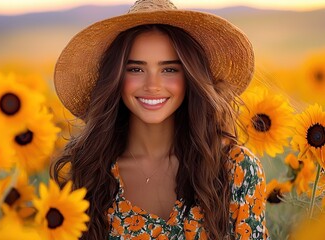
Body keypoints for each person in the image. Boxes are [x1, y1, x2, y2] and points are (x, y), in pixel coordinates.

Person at [52, 0, 269, 239]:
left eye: (169, 69)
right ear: (115, 77)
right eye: (136, 69)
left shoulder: (236, 170)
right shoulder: (91, 172)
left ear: (190, 76)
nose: (152, 86)